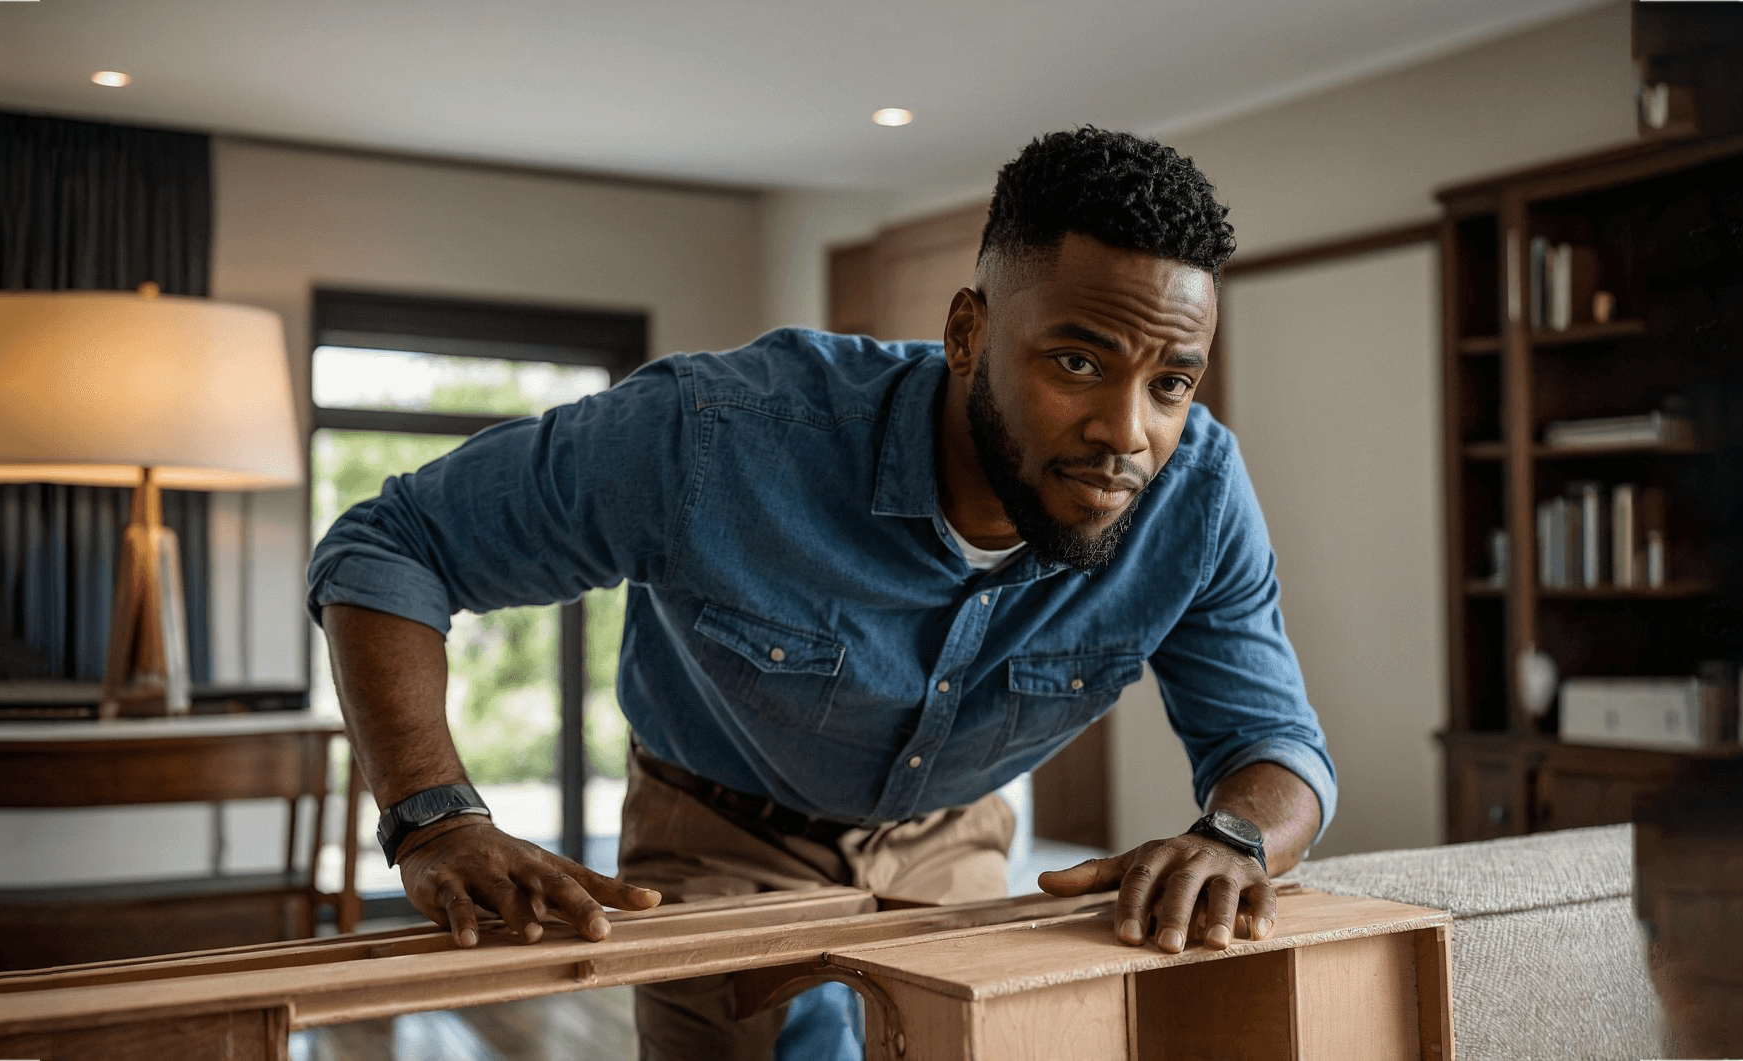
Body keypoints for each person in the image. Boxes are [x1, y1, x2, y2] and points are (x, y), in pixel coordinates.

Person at [308, 126, 1335, 1061]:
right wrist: (436, 818)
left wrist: (1235, 838)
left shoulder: (1197, 493)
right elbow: (390, 545)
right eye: (1078, 359)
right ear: (969, 333)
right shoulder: (718, 432)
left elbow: (1275, 743)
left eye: (1172, 382)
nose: (1127, 430)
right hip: (719, 830)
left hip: (954, 832)